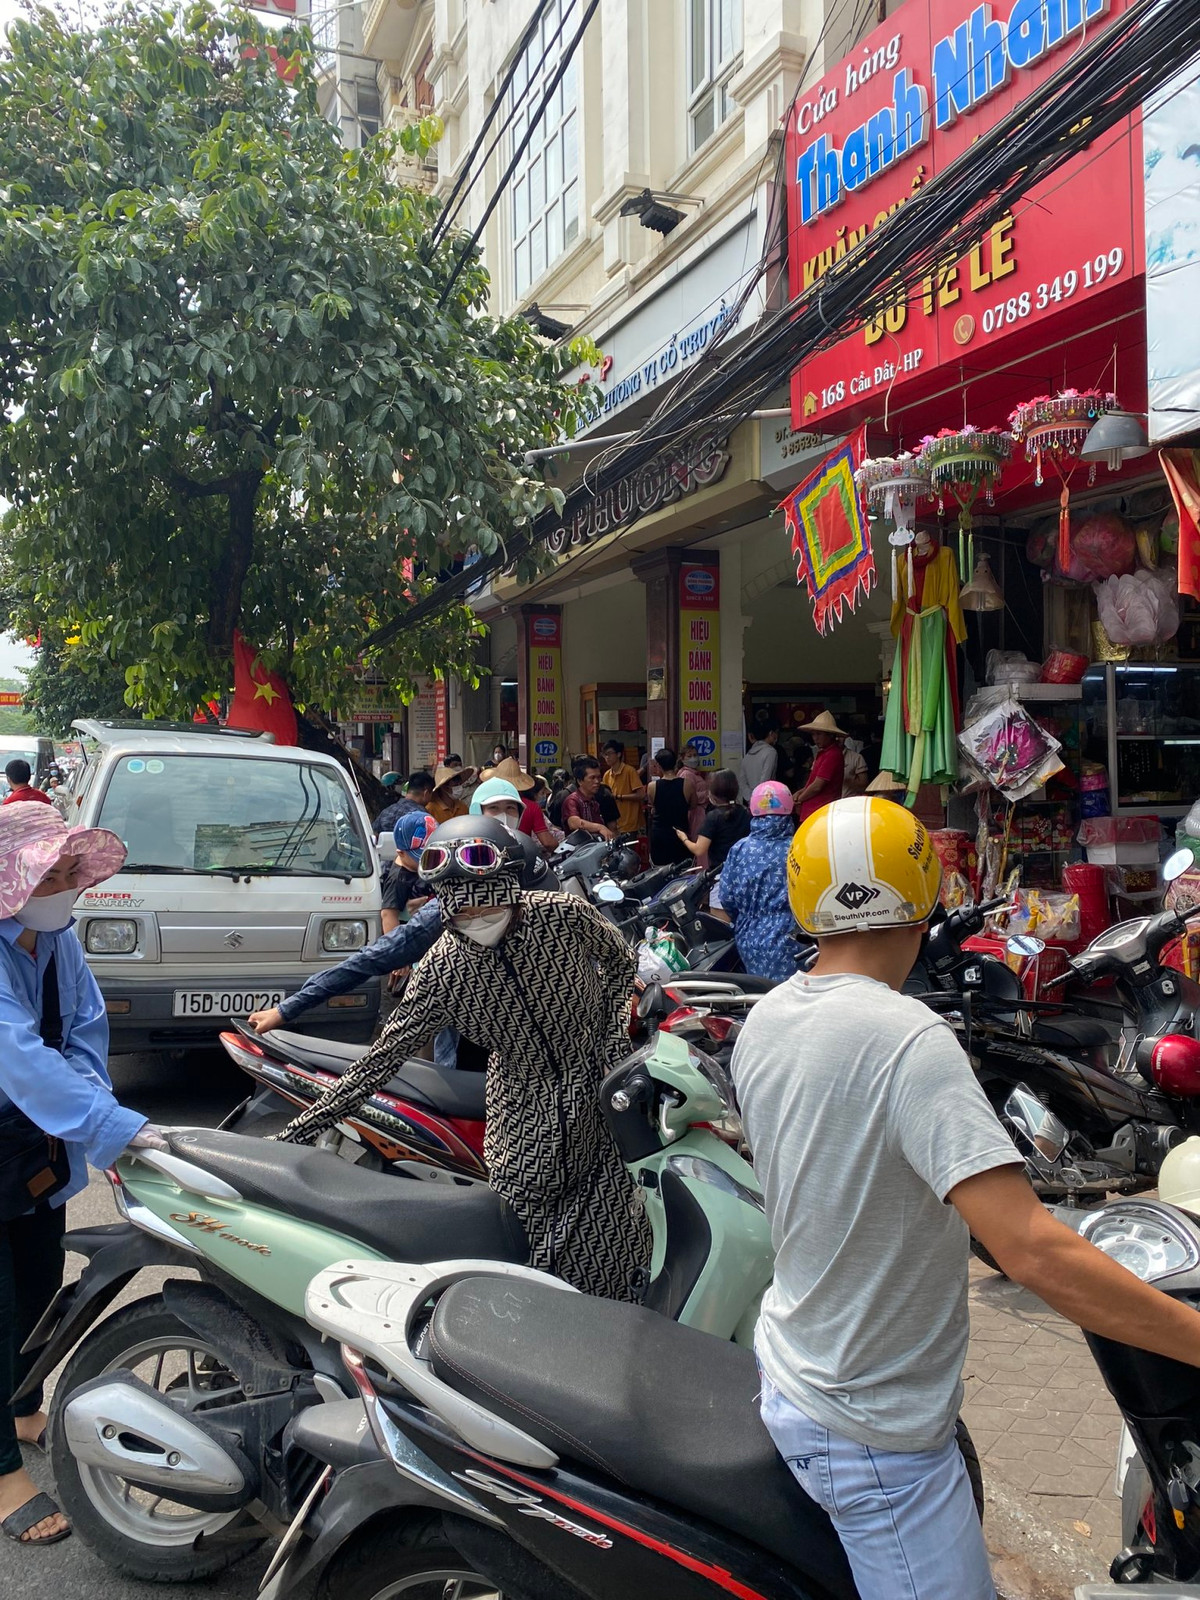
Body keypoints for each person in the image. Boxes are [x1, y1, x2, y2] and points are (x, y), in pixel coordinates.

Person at [732, 795, 1200, 1600]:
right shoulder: (910, 1041)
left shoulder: (769, 1017)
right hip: (874, 1432)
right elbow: (1031, 1250)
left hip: (803, 1368)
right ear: (928, 893)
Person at [276, 815, 651, 1298]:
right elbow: (381, 1060)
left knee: (616, 1262)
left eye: (487, 908)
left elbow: (621, 962)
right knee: (525, 1276)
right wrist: (291, 1139)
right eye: (461, 917)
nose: (477, 922)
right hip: (523, 1130)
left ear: (510, 887)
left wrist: (609, 1040)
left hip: (601, 1121)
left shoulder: (566, 916)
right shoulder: (443, 968)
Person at [0, 804, 164, 1548]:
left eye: (73, 871)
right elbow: (20, 1056)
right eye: (53, 872)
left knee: (37, 1285)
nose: (69, 884)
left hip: (32, 1144)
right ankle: (2, 1471)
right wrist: (113, 1131)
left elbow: (84, 1031)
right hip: (20, 1119)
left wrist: (99, 1112)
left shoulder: (56, 942)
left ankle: (23, 1404)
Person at [717, 781, 798, 980]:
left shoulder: (740, 849)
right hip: (792, 937)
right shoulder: (799, 847)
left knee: (758, 996)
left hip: (748, 936)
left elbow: (726, 898)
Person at [674, 767, 749, 870]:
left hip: (721, 872)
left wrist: (684, 838)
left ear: (713, 792)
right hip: (743, 868)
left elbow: (699, 849)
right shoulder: (745, 811)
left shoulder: (713, 816)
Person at [380, 809, 437, 934]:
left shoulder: (427, 869)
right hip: (413, 934)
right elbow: (388, 914)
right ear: (401, 853)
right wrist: (395, 946)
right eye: (421, 857)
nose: (428, 861)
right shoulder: (398, 879)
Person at [793, 710, 847, 824]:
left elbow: (818, 786)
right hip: (814, 812)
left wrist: (799, 799)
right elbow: (813, 783)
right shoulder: (823, 753)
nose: (815, 738)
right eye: (813, 734)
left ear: (830, 735)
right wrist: (800, 793)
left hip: (820, 812)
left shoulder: (833, 754)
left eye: (819, 734)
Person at [645, 748, 694, 866]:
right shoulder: (687, 784)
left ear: (659, 766)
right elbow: (693, 805)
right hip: (680, 833)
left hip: (660, 834)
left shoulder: (652, 786)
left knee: (661, 871)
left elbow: (653, 806)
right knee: (683, 870)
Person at [561, 758, 614, 842]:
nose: (597, 781)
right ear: (580, 781)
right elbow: (573, 823)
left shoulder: (594, 800)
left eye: (599, 777)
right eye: (592, 778)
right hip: (578, 852)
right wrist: (600, 827)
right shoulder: (572, 800)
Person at [600, 740, 645, 836]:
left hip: (629, 823)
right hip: (613, 824)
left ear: (619, 754)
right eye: (604, 755)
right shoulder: (607, 775)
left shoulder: (629, 771)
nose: (607, 757)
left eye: (609, 754)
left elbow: (641, 795)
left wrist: (619, 796)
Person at [374, 771, 434, 836]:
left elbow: (374, 835)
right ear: (426, 793)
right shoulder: (423, 817)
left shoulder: (386, 811)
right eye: (431, 794)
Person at [739, 721, 779, 801]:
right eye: (776, 733)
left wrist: (751, 798)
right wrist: (758, 798)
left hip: (750, 801)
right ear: (771, 733)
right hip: (765, 800)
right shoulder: (770, 752)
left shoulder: (747, 755)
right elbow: (765, 780)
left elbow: (742, 782)